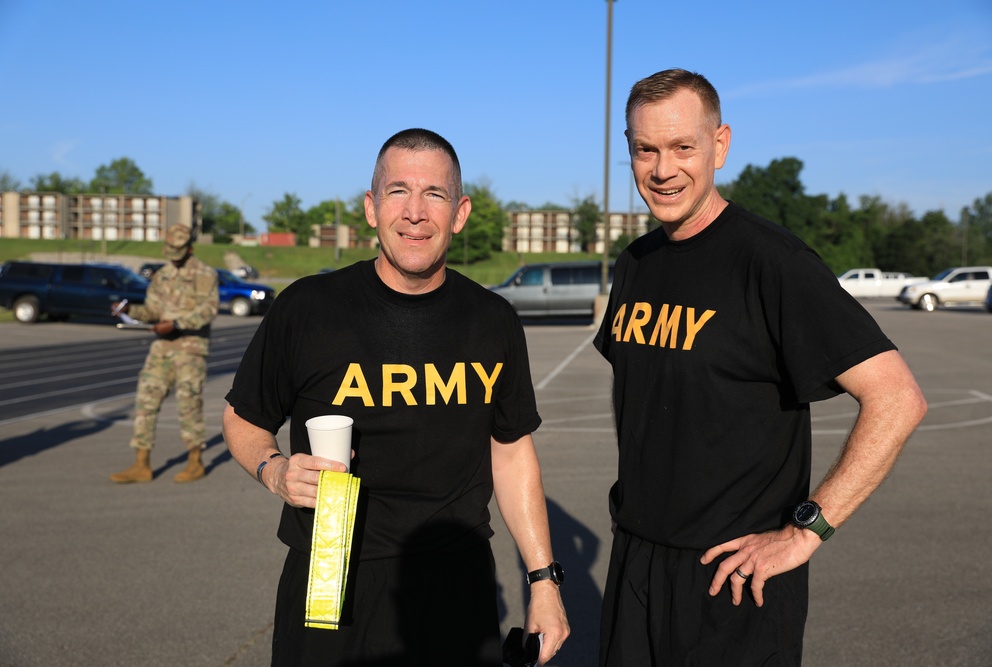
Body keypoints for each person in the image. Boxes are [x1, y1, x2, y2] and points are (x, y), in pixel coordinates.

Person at [593, 68, 927, 666]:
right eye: (646, 149)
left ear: (720, 145)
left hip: (734, 579)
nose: (663, 169)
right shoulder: (635, 264)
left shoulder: (774, 263)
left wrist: (806, 532)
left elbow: (897, 398)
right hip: (637, 563)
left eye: (682, 147)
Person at [222, 128, 570, 666]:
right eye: (397, 191)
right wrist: (275, 470)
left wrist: (543, 580)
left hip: (456, 579)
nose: (414, 213)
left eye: (434, 194)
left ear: (459, 213)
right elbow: (242, 419)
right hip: (329, 570)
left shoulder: (492, 320)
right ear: (370, 206)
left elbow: (512, 451)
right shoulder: (309, 309)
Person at [109, 224, 220, 484]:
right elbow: (152, 311)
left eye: (178, 250)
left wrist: (177, 324)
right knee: (146, 401)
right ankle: (141, 464)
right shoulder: (162, 276)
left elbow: (208, 310)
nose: (173, 255)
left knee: (189, 405)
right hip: (162, 348)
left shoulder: (204, 274)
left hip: (190, 349)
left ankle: (195, 462)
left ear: (190, 248)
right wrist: (129, 311)